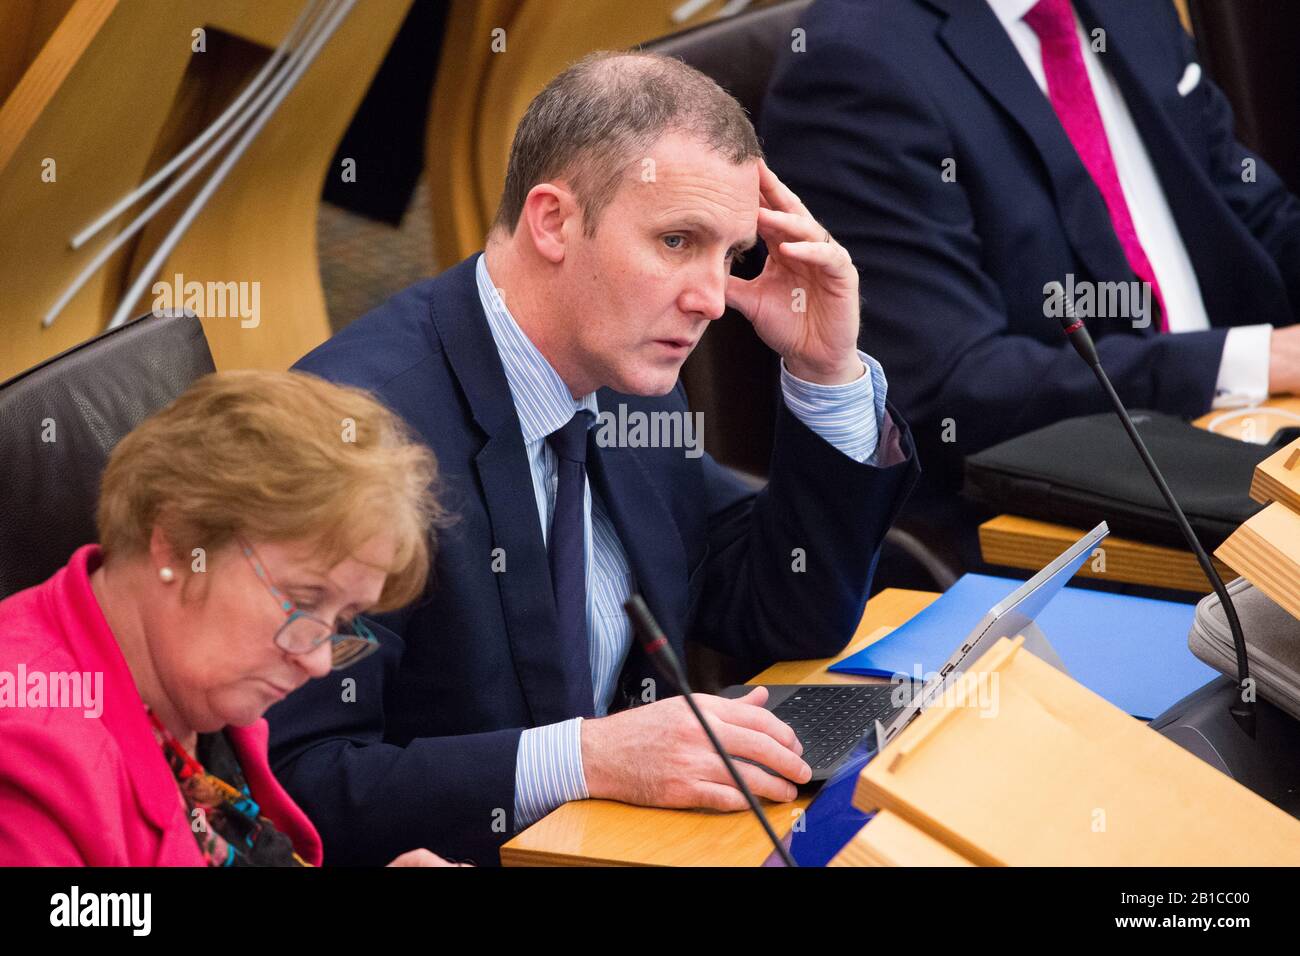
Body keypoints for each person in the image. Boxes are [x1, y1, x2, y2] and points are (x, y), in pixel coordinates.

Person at [269, 50, 919, 865]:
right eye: (677, 241)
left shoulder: (625, 377)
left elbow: (780, 612)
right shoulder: (355, 435)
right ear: (552, 221)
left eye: (731, 255)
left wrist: (827, 375)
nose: (712, 301)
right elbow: (298, 786)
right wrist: (586, 757)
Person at [761, 0, 1300, 557]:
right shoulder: (854, 64)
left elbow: (1250, 208)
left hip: (1258, 433)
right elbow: (950, 385)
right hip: (1067, 518)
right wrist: (1256, 359)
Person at [0, 370, 453, 866]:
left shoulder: (192, 697)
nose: (320, 662)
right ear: (176, 540)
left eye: (343, 619)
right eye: (303, 600)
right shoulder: (24, 761)